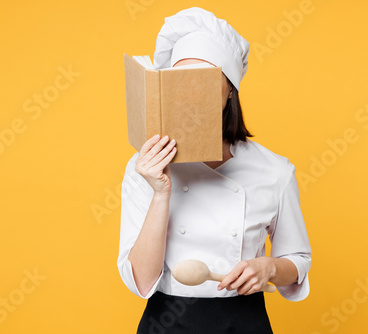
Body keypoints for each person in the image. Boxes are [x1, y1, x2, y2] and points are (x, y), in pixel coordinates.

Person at [117, 7, 312, 333]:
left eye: (205, 80)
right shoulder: (145, 168)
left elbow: (298, 261)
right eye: (182, 82)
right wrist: (160, 192)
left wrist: (268, 267)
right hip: (167, 322)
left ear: (230, 90)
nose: (192, 93)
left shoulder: (275, 170)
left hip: (244, 321)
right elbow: (141, 281)